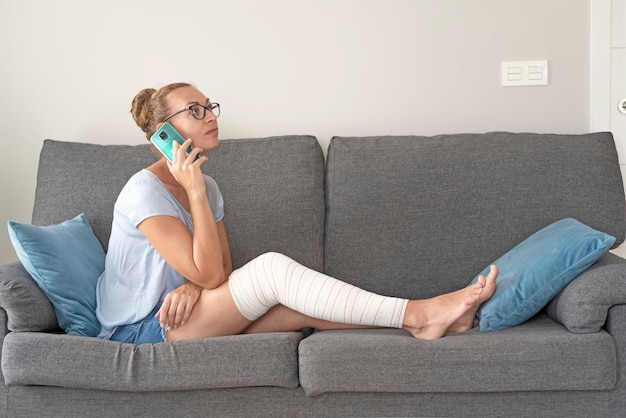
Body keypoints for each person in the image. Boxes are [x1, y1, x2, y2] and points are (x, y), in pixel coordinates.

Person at [95, 82, 498, 345]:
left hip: (188, 312)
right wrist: (194, 191)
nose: (212, 116)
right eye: (195, 111)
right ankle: (421, 310)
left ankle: (423, 322)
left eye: (210, 106)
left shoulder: (210, 187)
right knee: (270, 270)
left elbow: (222, 268)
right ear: (164, 132)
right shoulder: (143, 191)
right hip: (138, 331)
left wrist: (193, 286)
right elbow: (217, 275)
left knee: (297, 306)